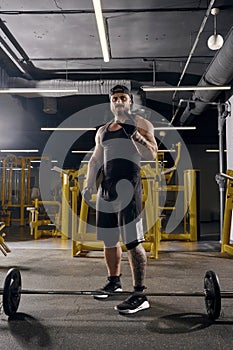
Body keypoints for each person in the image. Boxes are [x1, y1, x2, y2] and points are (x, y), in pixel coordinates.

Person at [82, 85, 157, 314]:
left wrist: (136, 138)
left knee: (133, 242)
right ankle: (114, 282)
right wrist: (88, 184)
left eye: (123, 97)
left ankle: (140, 294)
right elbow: (95, 160)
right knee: (109, 239)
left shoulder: (141, 125)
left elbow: (151, 154)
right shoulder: (103, 130)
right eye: (114, 98)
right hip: (107, 188)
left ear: (130, 102)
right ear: (111, 103)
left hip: (129, 187)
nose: (118, 101)